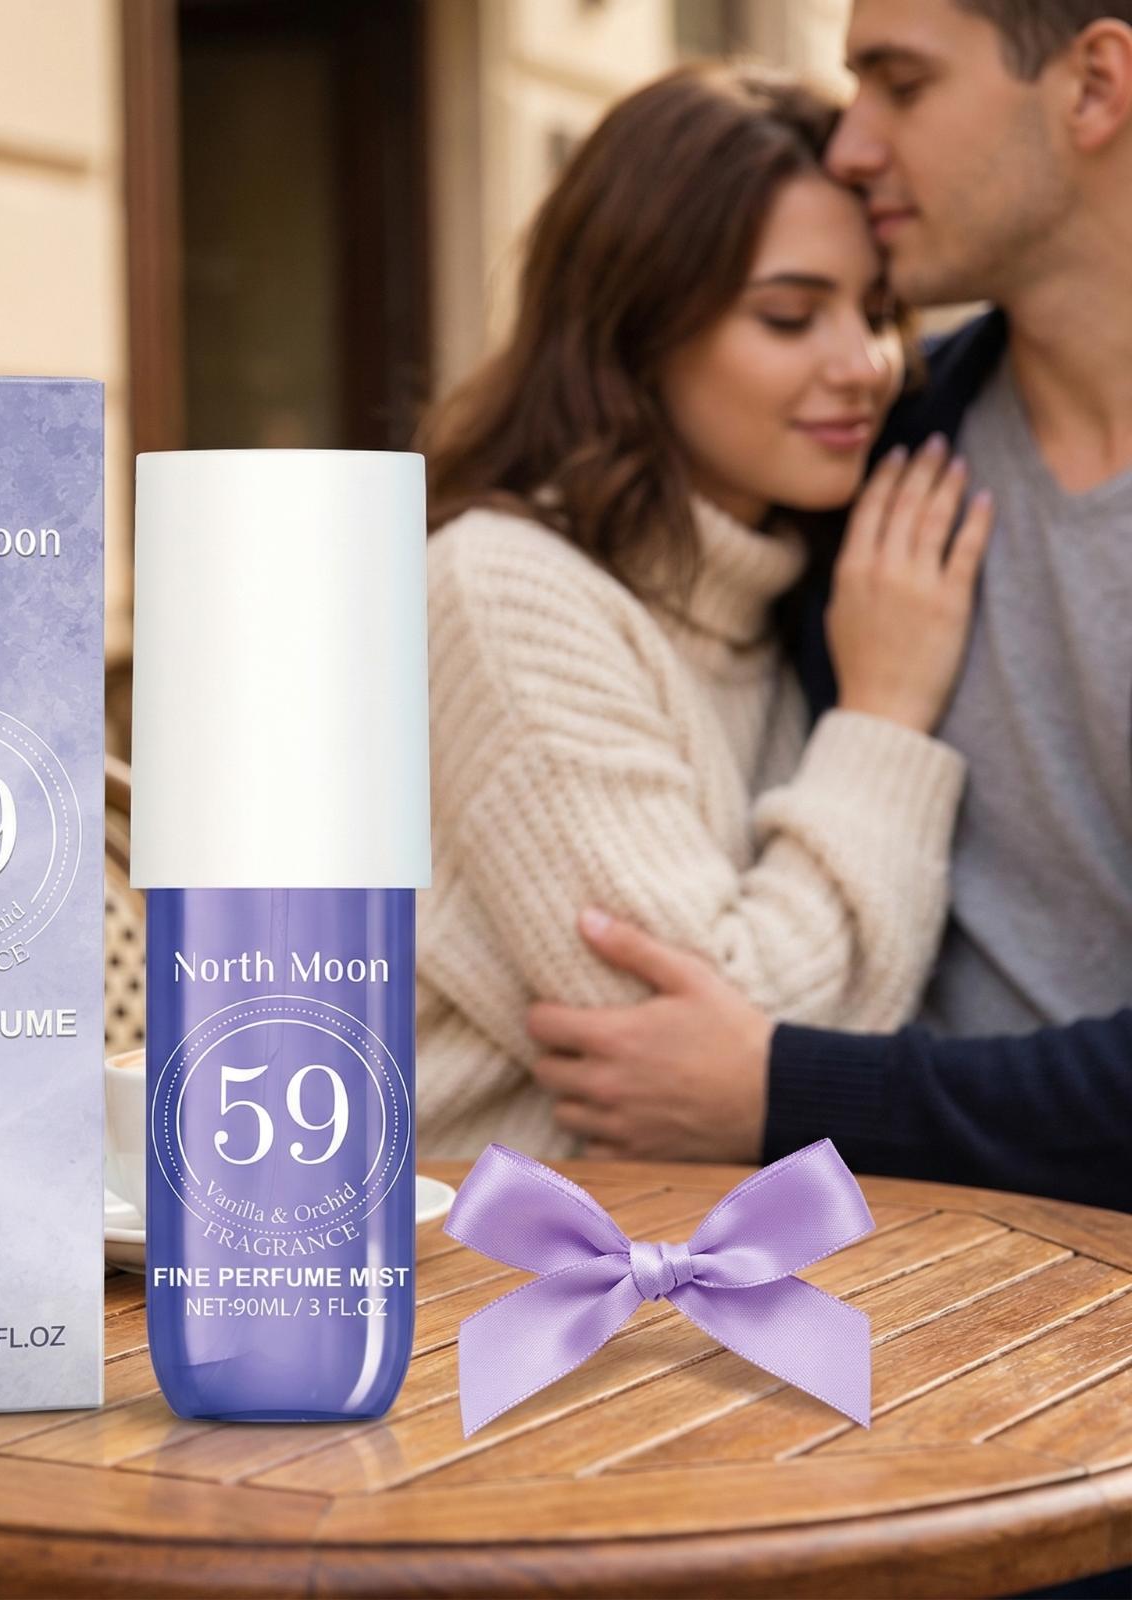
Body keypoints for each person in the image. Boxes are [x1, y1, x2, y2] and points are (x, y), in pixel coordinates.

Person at [526, 0, 1132, 1213]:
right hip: (890, 1269)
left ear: (1093, 85)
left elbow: (752, 1063)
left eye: (900, 85)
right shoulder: (863, 464)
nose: (851, 146)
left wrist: (792, 1091)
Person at [413, 63, 993, 1159]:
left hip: (696, 1247)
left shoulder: (778, 587)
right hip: (450, 1250)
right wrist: (883, 718)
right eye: (789, 316)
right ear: (638, 329)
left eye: (879, 311)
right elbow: (719, 1073)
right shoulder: (503, 592)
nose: (866, 365)